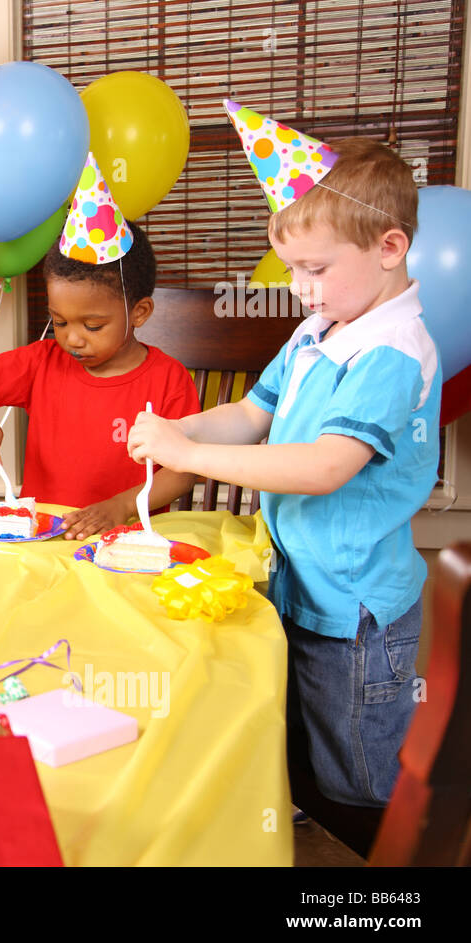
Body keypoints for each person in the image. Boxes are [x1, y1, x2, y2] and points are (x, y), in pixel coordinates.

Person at [129, 108, 437, 807]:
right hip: (301, 585)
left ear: (390, 248)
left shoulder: (389, 352)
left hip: (356, 611)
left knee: (359, 769)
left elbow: (323, 467)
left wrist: (191, 458)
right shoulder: (318, 331)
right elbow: (249, 414)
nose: (301, 285)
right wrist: (183, 427)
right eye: (295, 268)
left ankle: (383, 861)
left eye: (316, 268)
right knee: (304, 741)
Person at [0, 154, 198, 539]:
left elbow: (181, 474)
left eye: (93, 325)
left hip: (129, 544)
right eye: (60, 322)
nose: (73, 338)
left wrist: (121, 507)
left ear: (141, 311)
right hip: (47, 538)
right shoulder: (44, 362)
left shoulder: (169, 379)